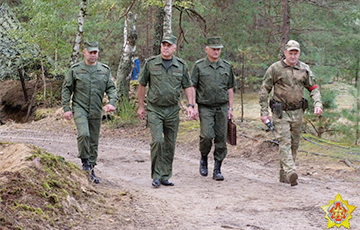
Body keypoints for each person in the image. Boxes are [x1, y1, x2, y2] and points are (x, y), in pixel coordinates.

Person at [259, 40, 323, 186]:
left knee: (294, 144)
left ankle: (284, 176)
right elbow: (264, 90)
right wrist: (264, 112)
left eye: (296, 53)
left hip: (298, 112)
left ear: (299, 53)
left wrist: (318, 103)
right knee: (284, 142)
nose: (293, 56)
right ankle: (290, 171)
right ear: (285, 53)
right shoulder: (275, 69)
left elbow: (313, 88)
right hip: (280, 112)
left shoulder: (304, 69)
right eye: (290, 53)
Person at [137, 34, 196, 188]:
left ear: (174, 48)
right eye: (164, 44)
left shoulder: (181, 66)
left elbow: (188, 86)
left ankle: (165, 175)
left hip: (172, 110)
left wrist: (191, 105)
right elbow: (142, 85)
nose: (166, 47)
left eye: (169, 45)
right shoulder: (151, 64)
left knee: (170, 144)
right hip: (155, 109)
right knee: (157, 141)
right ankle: (156, 176)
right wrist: (141, 106)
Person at [62, 41, 117, 184]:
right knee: (84, 134)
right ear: (84, 52)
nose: (93, 55)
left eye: (95, 52)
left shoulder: (104, 70)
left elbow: (111, 88)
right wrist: (67, 109)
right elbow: (67, 89)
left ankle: (91, 167)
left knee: (93, 139)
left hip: (96, 108)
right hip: (80, 107)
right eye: (91, 52)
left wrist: (111, 102)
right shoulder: (75, 70)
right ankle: (85, 162)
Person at [191, 36, 235, 181]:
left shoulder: (226, 66)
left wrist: (230, 108)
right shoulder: (199, 66)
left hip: (222, 107)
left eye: (218, 49)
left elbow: (230, 88)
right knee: (207, 135)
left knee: (221, 138)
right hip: (205, 106)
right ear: (207, 49)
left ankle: (217, 168)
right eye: (214, 49)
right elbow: (193, 86)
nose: (216, 52)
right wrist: (193, 105)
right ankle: (204, 156)